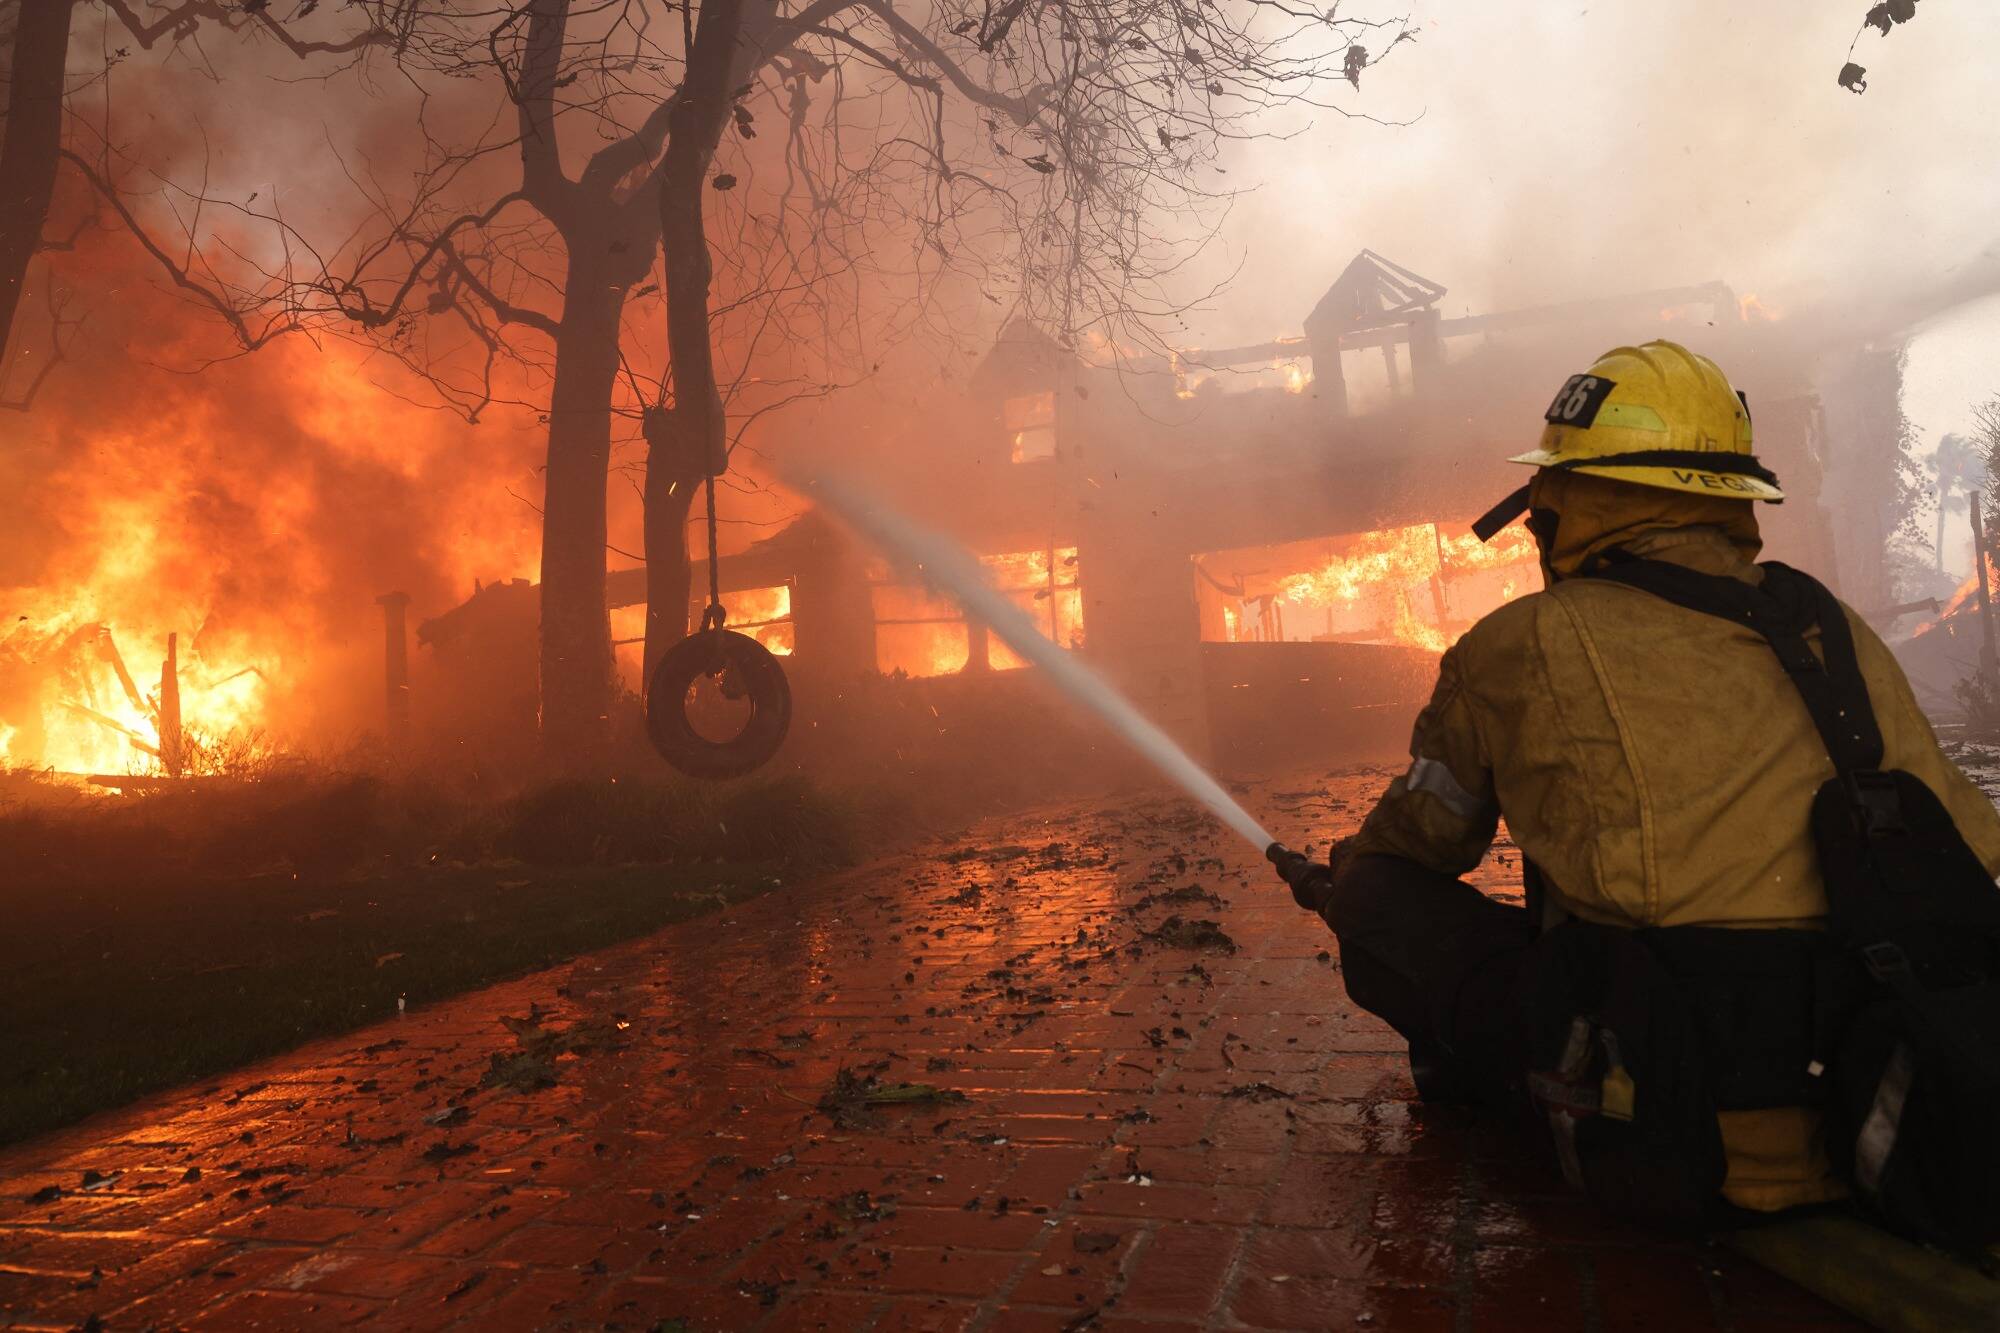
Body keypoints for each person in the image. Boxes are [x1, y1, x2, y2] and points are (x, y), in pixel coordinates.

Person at [1273, 340, 2000, 1235]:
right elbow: (1972, 849)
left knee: (1375, 893)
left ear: (1567, 498)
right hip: (1889, 1097)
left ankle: (1488, 1079)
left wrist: (1345, 872)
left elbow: (1424, 837)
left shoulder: (1519, 643)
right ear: (1729, 494)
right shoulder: (1827, 625)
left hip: (1679, 1120)